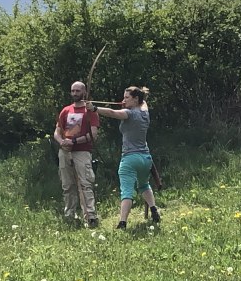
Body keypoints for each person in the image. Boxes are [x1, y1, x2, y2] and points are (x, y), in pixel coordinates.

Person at [88, 86, 160, 229]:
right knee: (144, 185)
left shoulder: (129, 113)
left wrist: (94, 108)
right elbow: (143, 103)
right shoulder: (145, 112)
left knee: (126, 191)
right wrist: (130, 101)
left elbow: (112, 112)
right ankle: (154, 210)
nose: (123, 100)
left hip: (130, 159)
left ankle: (122, 223)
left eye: (127, 97)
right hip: (146, 159)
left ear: (136, 99)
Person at [53, 81, 100, 228]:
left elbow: (93, 134)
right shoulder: (66, 110)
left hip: (82, 152)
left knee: (85, 184)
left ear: (84, 92)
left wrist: (74, 141)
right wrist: (61, 142)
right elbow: (57, 131)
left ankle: (91, 216)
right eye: (73, 91)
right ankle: (70, 215)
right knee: (67, 185)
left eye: (78, 91)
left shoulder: (90, 111)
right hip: (65, 152)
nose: (75, 94)